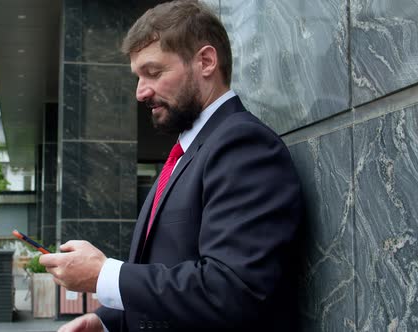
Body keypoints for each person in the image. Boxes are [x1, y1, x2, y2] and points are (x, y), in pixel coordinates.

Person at [40, 1, 304, 331]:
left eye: (153, 72)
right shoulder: (188, 150)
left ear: (206, 61)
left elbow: (230, 289)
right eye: (138, 77)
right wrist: (106, 320)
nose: (140, 92)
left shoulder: (244, 146)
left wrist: (103, 274)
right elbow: (168, 266)